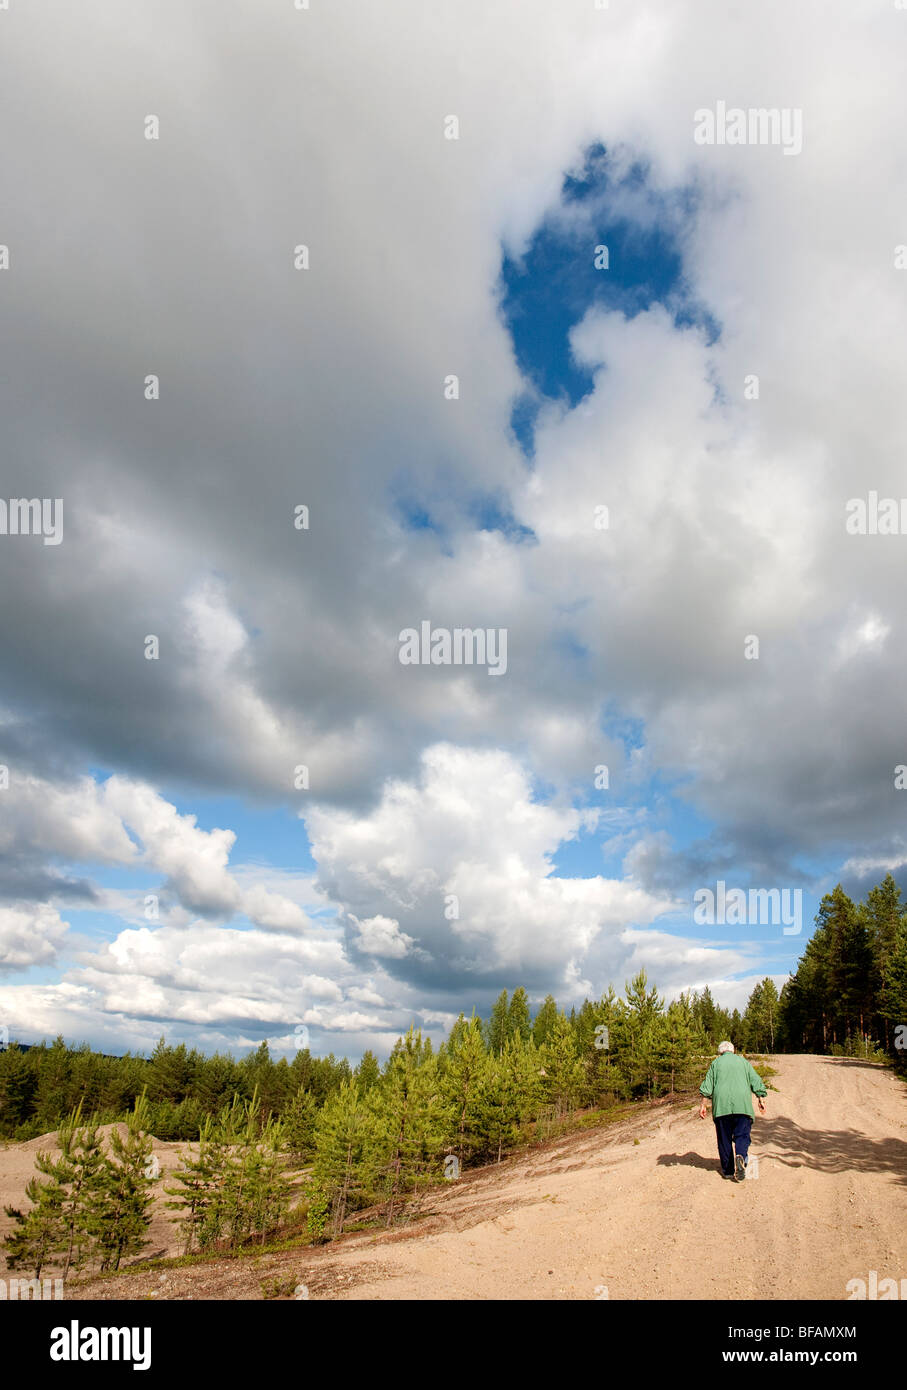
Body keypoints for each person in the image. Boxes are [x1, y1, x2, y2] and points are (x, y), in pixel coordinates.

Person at [698, 1041, 767, 1181]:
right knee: (742, 1136)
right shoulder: (743, 1062)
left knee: (724, 1139)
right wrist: (761, 1098)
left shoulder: (716, 1064)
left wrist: (703, 1105)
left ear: (720, 1052)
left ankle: (728, 1170)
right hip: (742, 1106)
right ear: (733, 1050)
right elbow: (755, 1080)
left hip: (722, 1107)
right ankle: (740, 1155)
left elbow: (707, 1086)